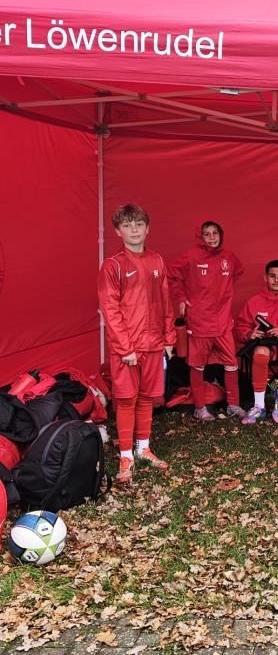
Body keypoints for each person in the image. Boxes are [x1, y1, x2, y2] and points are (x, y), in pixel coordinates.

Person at [97, 203, 175, 484]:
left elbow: (166, 301)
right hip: (127, 350)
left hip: (154, 344)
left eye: (139, 224)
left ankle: (143, 449)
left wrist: (169, 338)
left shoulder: (157, 260)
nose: (134, 230)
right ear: (118, 231)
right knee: (127, 400)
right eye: (127, 225)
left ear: (147, 228)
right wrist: (125, 347)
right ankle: (126, 454)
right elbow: (110, 309)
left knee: (146, 398)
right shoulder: (113, 265)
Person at [168, 218, 245, 421]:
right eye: (206, 234)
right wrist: (181, 298)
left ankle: (233, 405)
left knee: (231, 364)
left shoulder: (229, 256)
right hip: (200, 322)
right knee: (197, 366)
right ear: (199, 237)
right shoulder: (192, 256)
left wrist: (224, 293)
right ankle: (200, 408)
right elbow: (170, 273)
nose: (211, 237)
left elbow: (237, 271)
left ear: (221, 235)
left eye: (215, 233)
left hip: (223, 323)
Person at [234, 260, 278, 424]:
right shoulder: (254, 301)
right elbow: (240, 330)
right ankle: (259, 406)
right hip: (263, 346)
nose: (276, 280)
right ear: (265, 277)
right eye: (272, 276)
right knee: (261, 353)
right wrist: (249, 334)